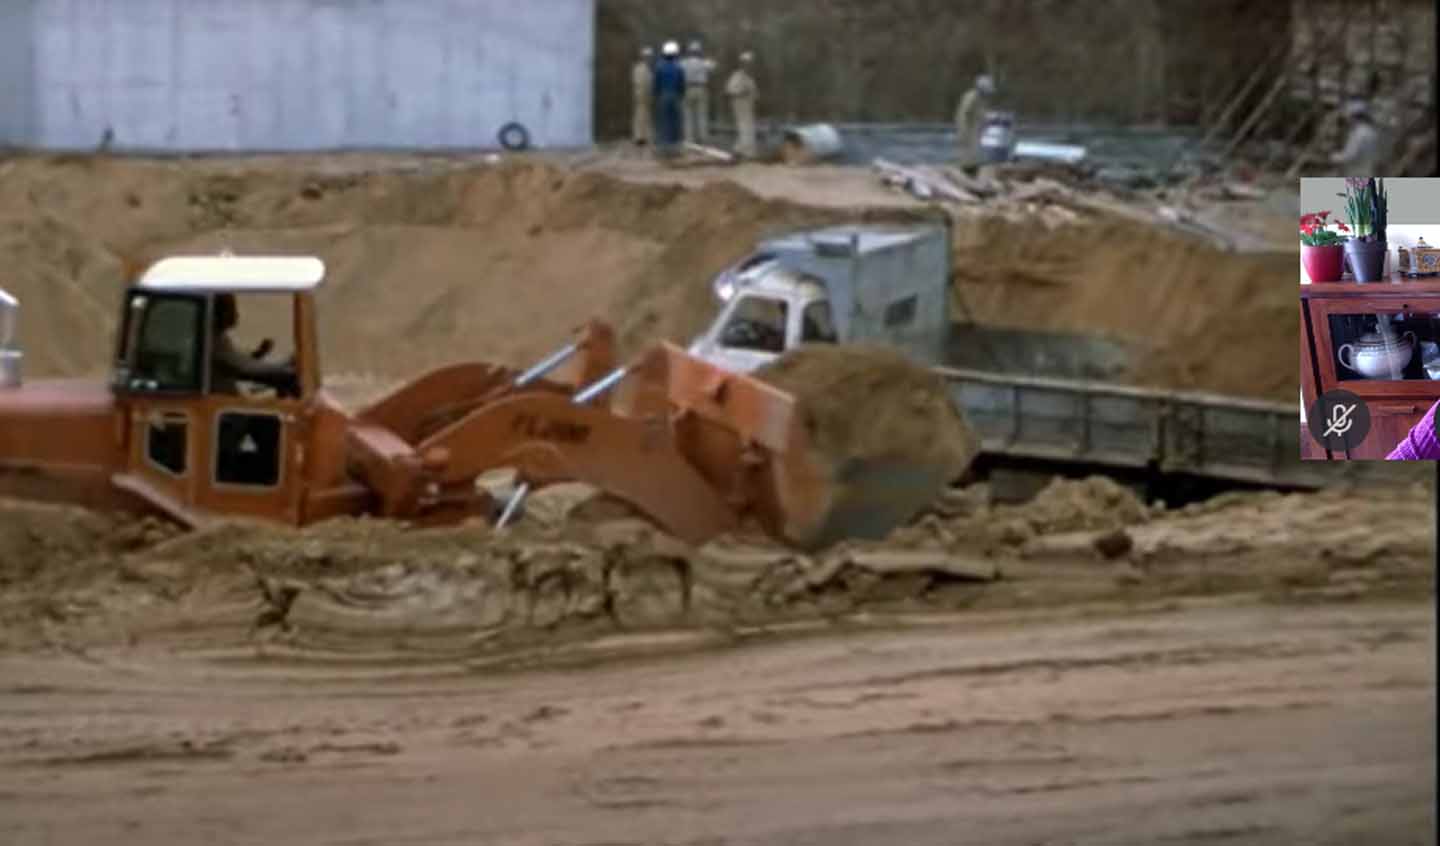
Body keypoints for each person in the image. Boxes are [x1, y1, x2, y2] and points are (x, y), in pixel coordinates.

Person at [210, 293, 296, 396]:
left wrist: (258, 353)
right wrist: (286, 371)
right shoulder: (213, 342)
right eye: (230, 310)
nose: (236, 315)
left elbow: (238, 361)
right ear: (216, 314)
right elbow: (243, 367)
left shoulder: (218, 337)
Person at [652, 41, 687, 158]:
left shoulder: (659, 67)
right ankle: (675, 147)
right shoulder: (678, 67)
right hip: (675, 95)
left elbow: (656, 83)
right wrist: (681, 95)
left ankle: (663, 147)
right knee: (675, 121)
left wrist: (656, 95)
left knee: (663, 120)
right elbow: (682, 83)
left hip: (663, 95)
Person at [954, 74, 995, 170]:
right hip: (968, 132)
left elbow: (981, 114)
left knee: (975, 155)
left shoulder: (982, 100)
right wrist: (963, 131)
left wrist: (985, 123)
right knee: (966, 156)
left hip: (976, 131)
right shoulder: (971, 97)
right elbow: (963, 114)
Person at [680, 40, 717, 144]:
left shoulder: (683, 63)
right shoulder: (704, 63)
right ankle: (703, 139)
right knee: (702, 115)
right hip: (701, 88)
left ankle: (689, 140)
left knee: (688, 116)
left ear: (689, 52)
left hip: (687, 89)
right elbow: (714, 66)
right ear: (699, 52)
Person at [1332, 100, 1383, 175]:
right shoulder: (1371, 131)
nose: (1347, 120)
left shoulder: (1358, 133)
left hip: (1357, 172)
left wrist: (1334, 157)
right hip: (1369, 170)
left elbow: (1350, 155)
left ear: (1354, 117)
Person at [725, 51, 759, 158]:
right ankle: (747, 152)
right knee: (745, 126)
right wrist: (741, 92)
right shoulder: (737, 76)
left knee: (748, 127)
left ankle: (739, 149)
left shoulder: (749, 77)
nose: (749, 65)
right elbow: (730, 90)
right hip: (740, 104)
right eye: (747, 63)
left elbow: (754, 92)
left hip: (748, 104)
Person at [631, 46, 655, 147]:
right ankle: (640, 137)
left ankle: (643, 136)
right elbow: (644, 82)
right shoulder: (643, 68)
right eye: (648, 57)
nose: (649, 58)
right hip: (642, 93)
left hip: (641, 93)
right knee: (641, 115)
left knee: (643, 115)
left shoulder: (639, 68)